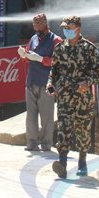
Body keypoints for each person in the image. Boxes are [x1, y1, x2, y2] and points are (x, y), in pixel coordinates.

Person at [48, 15, 99, 179]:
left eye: (69, 28)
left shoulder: (89, 48)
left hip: (82, 98)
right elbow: (53, 71)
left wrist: (87, 82)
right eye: (64, 28)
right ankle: (62, 164)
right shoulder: (59, 48)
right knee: (63, 128)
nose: (66, 31)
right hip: (64, 97)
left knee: (83, 130)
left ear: (78, 29)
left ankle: (82, 162)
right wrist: (50, 84)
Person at [18, 13, 61, 152]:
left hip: (48, 83)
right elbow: (28, 56)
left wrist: (41, 59)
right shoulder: (33, 39)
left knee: (47, 115)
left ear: (45, 24)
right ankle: (32, 143)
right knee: (30, 115)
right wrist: (24, 55)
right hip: (31, 81)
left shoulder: (56, 40)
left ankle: (46, 144)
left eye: (39, 25)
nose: (36, 28)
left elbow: (59, 62)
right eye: (34, 25)